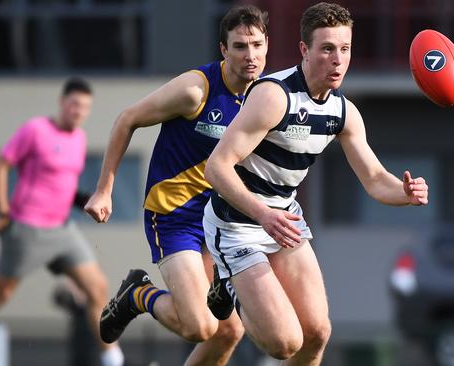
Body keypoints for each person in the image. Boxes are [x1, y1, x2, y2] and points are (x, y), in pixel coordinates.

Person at [202, 2, 429, 364]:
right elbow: (216, 168)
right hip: (236, 224)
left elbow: (374, 179)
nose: (337, 60)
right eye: (327, 49)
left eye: (344, 49)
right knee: (284, 343)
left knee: (317, 334)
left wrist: (404, 193)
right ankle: (228, 285)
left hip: (284, 220)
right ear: (305, 50)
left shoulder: (343, 112)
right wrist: (263, 214)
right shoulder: (273, 96)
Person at [83, 5, 268, 366]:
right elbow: (127, 119)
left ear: (267, 46)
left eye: (257, 45)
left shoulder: (265, 95)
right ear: (223, 49)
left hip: (218, 224)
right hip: (173, 217)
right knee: (200, 327)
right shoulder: (195, 90)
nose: (251, 55)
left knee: (230, 330)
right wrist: (104, 189)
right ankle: (139, 296)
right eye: (240, 46)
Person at [0, 78, 125, 366]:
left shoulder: (78, 139)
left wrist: (89, 202)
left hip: (63, 230)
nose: (79, 111)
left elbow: (63, 187)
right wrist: (4, 212)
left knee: (97, 288)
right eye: (75, 104)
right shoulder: (36, 130)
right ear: (62, 103)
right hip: (27, 228)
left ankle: (113, 359)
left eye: (85, 108)